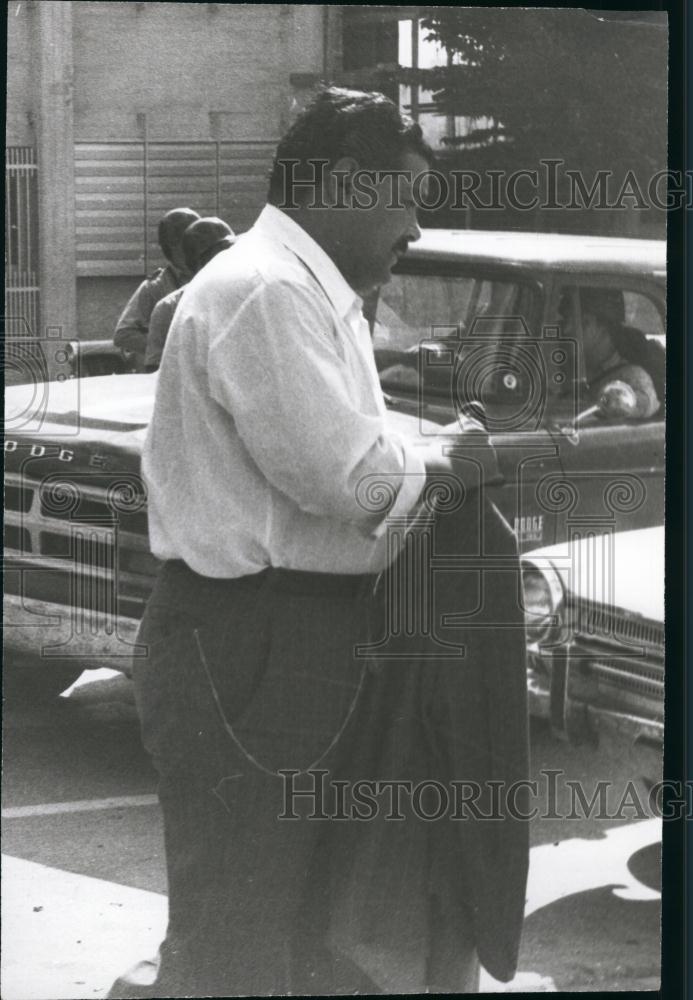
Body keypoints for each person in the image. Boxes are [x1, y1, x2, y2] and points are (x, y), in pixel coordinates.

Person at [108, 88, 529, 997]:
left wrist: (419, 455)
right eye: (408, 196)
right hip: (251, 642)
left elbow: (354, 455)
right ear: (342, 181)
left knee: (295, 921)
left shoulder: (307, 289)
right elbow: (351, 480)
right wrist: (448, 459)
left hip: (285, 637)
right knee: (237, 929)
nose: (415, 227)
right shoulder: (264, 290)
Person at [143, 217, 235, 372]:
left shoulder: (250, 297)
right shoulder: (169, 308)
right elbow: (156, 374)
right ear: (198, 263)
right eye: (221, 254)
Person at [113, 207, 200, 371]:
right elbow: (123, 334)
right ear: (173, 246)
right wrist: (164, 345)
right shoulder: (155, 287)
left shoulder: (207, 275)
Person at [562, 286, 663, 417]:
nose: (566, 330)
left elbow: (643, 408)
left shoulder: (633, 377)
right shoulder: (568, 367)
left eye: (582, 323)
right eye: (566, 321)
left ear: (606, 328)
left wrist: (618, 403)